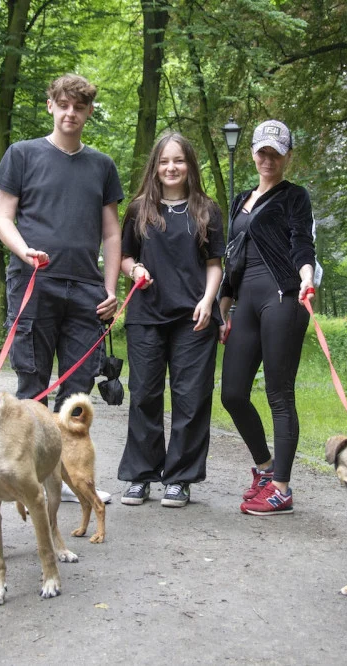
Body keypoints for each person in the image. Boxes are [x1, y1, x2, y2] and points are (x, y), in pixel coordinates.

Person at [0, 74, 122, 503]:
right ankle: (28, 477)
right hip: (33, 283)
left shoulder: (102, 166)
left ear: (88, 112)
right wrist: (25, 251)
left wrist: (110, 289)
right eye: (63, 105)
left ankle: (69, 479)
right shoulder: (22, 154)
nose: (71, 114)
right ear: (50, 105)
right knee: (33, 384)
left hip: (86, 290)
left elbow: (111, 233)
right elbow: (3, 218)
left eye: (79, 108)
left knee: (77, 391)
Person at [117, 133, 225, 508]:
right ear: (155, 167)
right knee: (144, 395)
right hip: (146, 315)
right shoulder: (139, 209)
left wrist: (209, 301)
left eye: (178, 160)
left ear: (189, 165)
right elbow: (124, 257)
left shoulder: (207, 210)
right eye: (164, 161)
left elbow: (215, 264)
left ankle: (180, 478)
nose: (171, 167)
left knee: (191, 398)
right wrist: (135, 270)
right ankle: (141, 475)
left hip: (194, 318)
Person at [218, 120, 316, 516]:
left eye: (276, 153)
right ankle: (265, 467)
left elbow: (302, 242)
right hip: (245, 301)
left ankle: (281, 489)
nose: (268, 159)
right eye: (262, 152)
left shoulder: (294, 196)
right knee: (232, 393)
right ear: (253, 153)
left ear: (288, 155)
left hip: (283, 297)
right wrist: (222, 307)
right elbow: (233, 256)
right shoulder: (241, 198)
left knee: (279, 392)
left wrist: (306, 278)